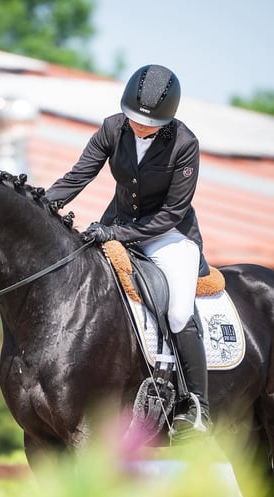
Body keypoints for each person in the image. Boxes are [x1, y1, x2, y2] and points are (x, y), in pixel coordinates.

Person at [46, 64, 211, 443]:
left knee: (179, 310)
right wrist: (40, 204)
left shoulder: (185, 144)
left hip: (169, 235)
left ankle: (197, 407)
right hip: (115, 226)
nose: (140, 127)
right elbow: (77, 177)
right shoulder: (112, 127)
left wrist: (116, 232)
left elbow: (172, 213)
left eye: (149, 124)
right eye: (135, 119)